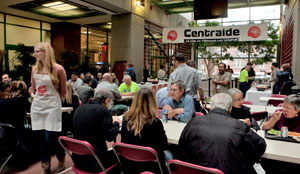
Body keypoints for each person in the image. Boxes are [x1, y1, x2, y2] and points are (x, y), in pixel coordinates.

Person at [179, 93, 266, 174]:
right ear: (230, 109)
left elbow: (182, 146)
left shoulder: (193, 122)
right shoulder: (239, 126)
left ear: (211, 107)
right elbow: (260, 146)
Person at [30, 42, 67, 174]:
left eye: (37, 51)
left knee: (50, 137)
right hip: (38, 105)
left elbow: (63, 90)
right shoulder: (34, 69)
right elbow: (34, 89)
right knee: (41, 138)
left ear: (45, 52)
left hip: (52, 105)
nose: (35, 54)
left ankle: (61, 156)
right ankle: (45, 165)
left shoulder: (59, 69)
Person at [121, 87, 170, 173]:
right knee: (170, 155)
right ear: (152, 102)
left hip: (130, 165)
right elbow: (164, 146)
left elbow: (123, 141)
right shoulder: (154, 123)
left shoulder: (126, 120)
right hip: (151, 166)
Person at [72, 89, 121, 173]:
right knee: (120, 157)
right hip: (96, 162)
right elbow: (110, 137)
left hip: (77, 159)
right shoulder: (103, 110)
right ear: (106, 100)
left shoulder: (79, 108)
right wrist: (116, 124)